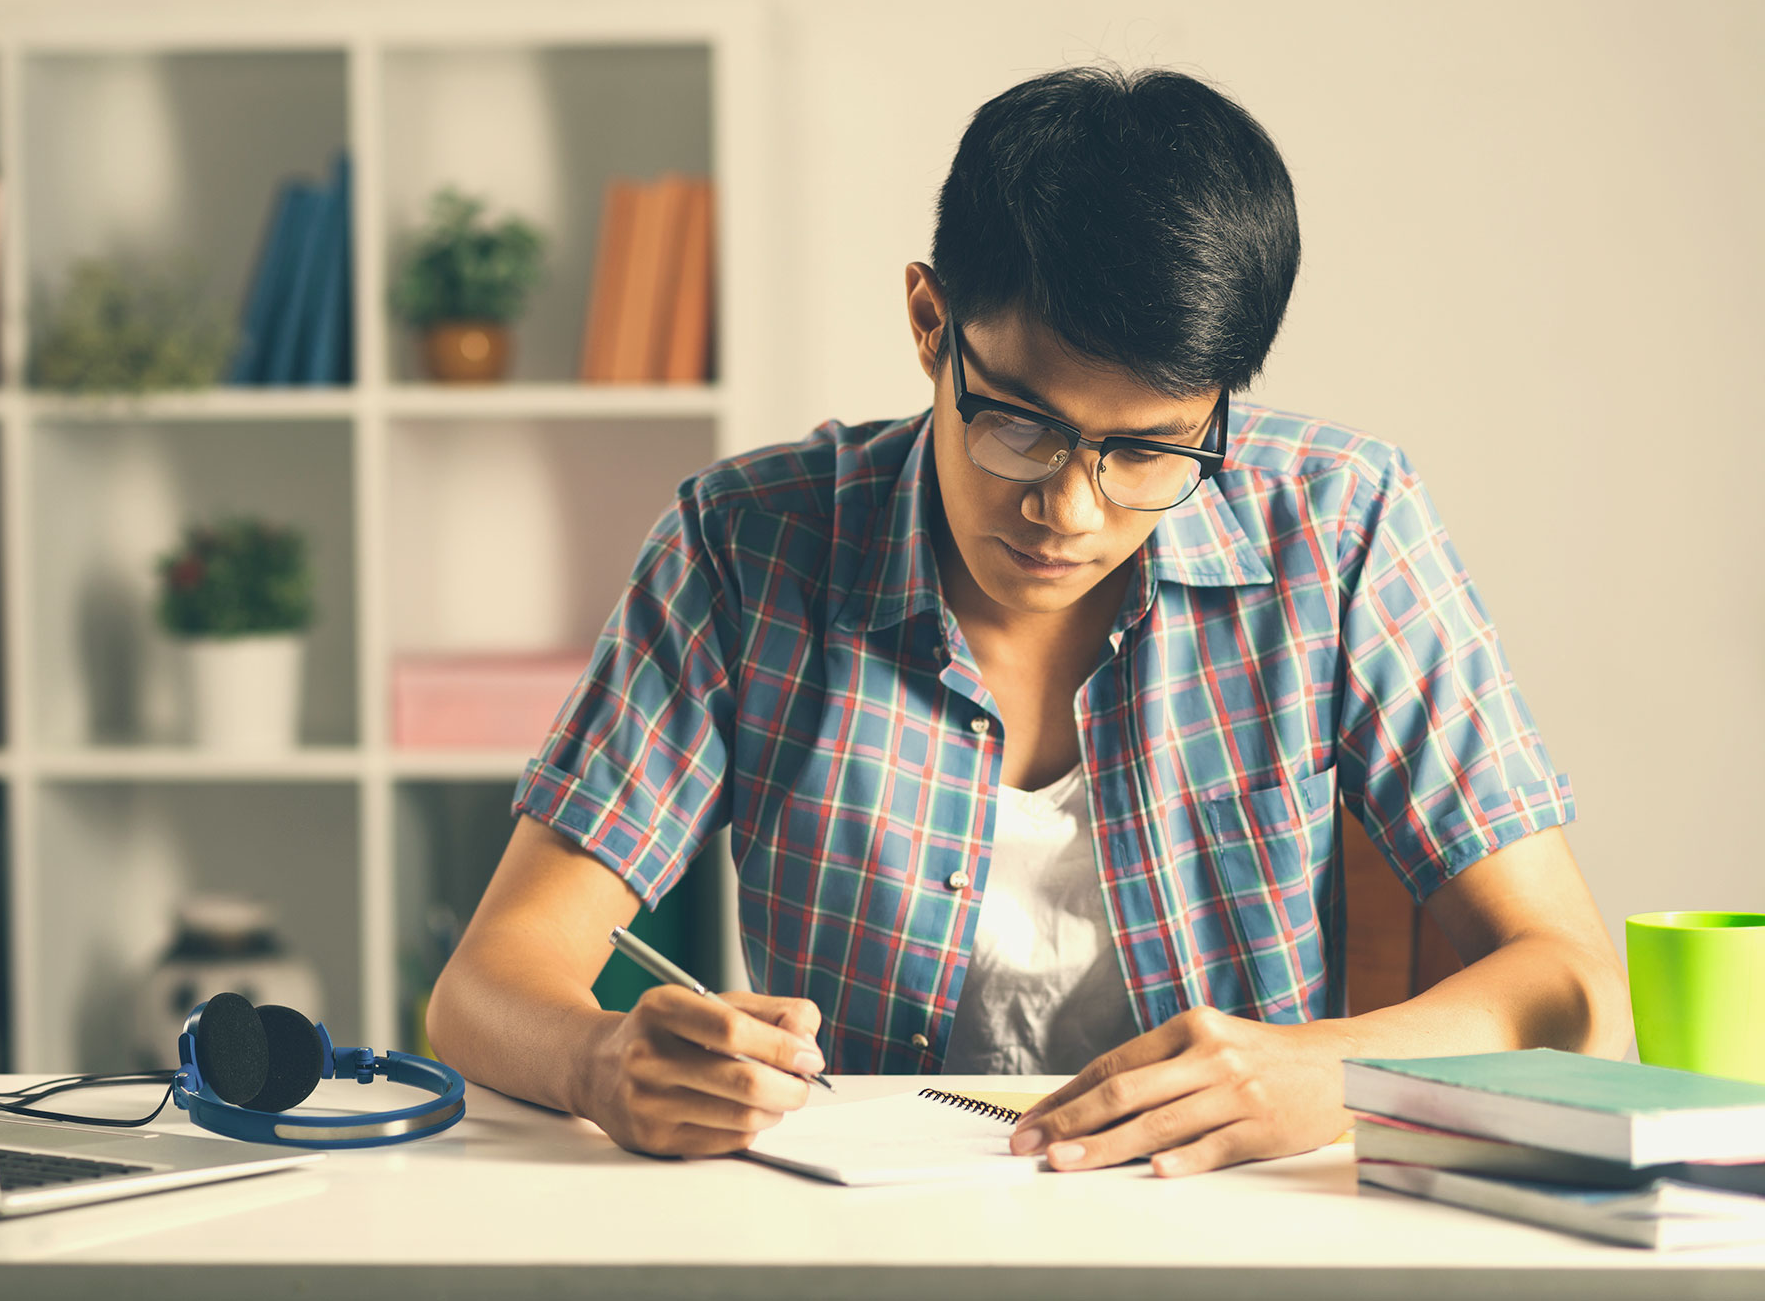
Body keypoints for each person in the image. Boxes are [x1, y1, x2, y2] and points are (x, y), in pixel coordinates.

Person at [424, 64, 1631, 1177]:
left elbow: (1570, 980)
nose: (1069, 506)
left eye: (1148, 450)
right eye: (1019, 423)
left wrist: (1334, 1069)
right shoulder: (746, 544)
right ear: (929, 325)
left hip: (1236, 1230)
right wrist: (598, 1057)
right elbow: (485, 983)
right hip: (857, 1233)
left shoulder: (1340, 526)